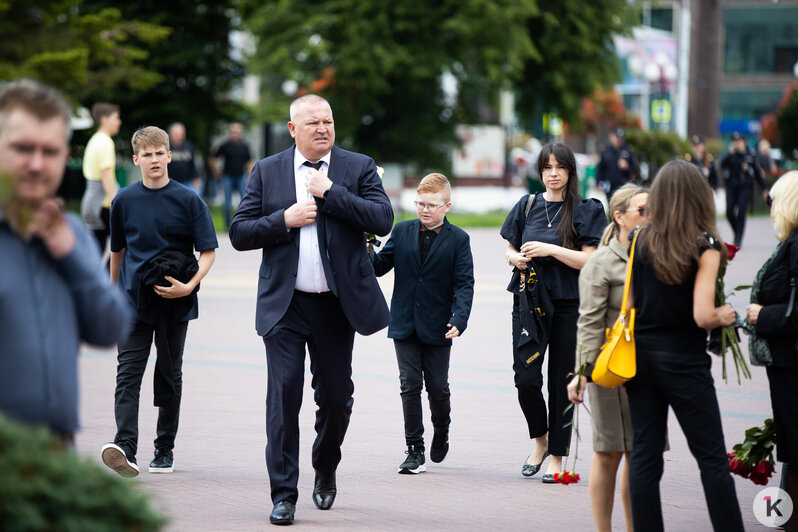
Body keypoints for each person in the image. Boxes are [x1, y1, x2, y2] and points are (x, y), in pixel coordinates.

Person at [229, 94, 393, 526]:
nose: (323, 128)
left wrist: (332, 194)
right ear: (292, 129)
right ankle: (284, 494)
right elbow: (239, 232)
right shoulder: (266, 170)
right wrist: (282, 220)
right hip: (285, 305)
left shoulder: (357, 167)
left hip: (337, 307)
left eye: (329, 121)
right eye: (313, 122)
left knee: (336, 400)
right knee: (284, 397)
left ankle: (325, 466)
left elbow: (382, 219)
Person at [0, 79, 131, 442]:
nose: (37, 164)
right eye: (23, 148)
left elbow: (110, 329)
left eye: (51, 151)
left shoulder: (69, 234)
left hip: (57, 455)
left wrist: (69, 255)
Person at [624, 160, 744, 531]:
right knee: (710, 458)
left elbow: (628, 304)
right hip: (684, 362)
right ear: (699, 197)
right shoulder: (705, 245)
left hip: (641, 359)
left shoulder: (640, 238)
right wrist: (726, 314)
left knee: (644, 456)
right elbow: (703, 316)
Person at [101, 126, 217, 479]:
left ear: (169, 155)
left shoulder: (189, 200)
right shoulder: (123, 200)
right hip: (133, 302)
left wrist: (190, 286)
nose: (154, 159)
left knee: (169, 373)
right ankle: (126, 447)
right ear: (136, 160)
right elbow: (117, 252)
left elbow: (208, 252)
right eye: (146, 154)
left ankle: (164, 448)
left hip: (175, 303)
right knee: (128, 374)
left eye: (159, 153)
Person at [500, 142, 606, 482]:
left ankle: (557, 457)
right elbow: (510, 246)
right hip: (528, 302)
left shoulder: (586, 209)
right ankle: (541, 440)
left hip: (567, 305)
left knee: (562, 382)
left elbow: (591, 258)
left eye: (560, 167)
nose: (553, 173)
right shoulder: (527, 205)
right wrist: (514, 258)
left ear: (571, 171)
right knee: (525, 379)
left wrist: (551, 249)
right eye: (547, 167)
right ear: (540, 172)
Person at [371, 173, 474, 474]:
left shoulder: (459, 240)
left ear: (447, 206)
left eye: (432, 205)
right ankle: (414, 449)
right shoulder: (401, 231)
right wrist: (365, 246)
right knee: (409, 385)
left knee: (438, 388)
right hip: (403, 322)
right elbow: (378, 267)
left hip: (440, 325)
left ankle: (441, 428)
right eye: (420, 204)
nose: (425, 210)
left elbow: (465, 284)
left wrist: (460, 318)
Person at [566, 184, 647, 532]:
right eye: (642, 211)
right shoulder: (602, 261)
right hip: (610, 367)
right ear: (619, 216)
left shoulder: (654, 254)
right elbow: (589, 321)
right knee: (610, 450)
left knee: (641, 454)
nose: (650, 217)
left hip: (646, 366)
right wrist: (582, 372)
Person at [746, 171, 798, 532]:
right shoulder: (792, 242)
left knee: (796, 449)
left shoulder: (796, 246)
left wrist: (762, 314)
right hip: (785, 362)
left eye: (775, 199)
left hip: (791, 362)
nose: (771, 206)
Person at [81, 102, 121, 259]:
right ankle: (106, 278)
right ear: (104, 120)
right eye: (116, 118)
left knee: (97, 247)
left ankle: (95, 279)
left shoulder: (94, 140)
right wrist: (115, 203)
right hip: (102, 203)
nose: (119, 122)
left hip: (90, 200)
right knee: (123, 242)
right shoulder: (105, 142)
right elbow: (106, 174)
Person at [720, 131, 768, 247]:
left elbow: (757, 174)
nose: (736, 144)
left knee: (741, 212)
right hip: (732, 186)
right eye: (734, 141)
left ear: (744, 142)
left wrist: (764, 188)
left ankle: (738, 239)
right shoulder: (731, 155)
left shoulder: (750, 156)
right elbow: (722, 165)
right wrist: (729, 154)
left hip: (745, 187)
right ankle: (737, 232)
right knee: (729, 212)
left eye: (738, 141)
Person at [209, 122, 253, 229]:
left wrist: (250, 175)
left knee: (244, 201)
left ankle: (243, 223)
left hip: (240, 176)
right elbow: (212, 158)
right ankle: (228, 225)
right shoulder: (225, 145)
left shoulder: (244, 146)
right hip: (227, 176)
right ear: (230, 133)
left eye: (237, 132)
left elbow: (249, 161)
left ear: (240, 133)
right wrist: (216, 171)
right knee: (227, 202)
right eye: (233, 132)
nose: (235, 134)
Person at [596, 127, 638, 200]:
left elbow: (635, 168)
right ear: (612, 136)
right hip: (609, 186)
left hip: (623, 186)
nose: (619, 140)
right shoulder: (605, 150)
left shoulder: (627, 150)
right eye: (617, 138)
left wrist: (627, 167)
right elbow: (600, 169)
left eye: (621, 138)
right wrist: (598, 183)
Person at [167, 122, 200, 192]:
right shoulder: (166, 147)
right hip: (169, 181)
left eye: (182, 133)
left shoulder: (188, 146)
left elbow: (192, 164)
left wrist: (196, 177)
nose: (181, 136)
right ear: (171, 134)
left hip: (186, 181)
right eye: (178, 134)